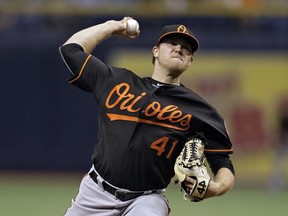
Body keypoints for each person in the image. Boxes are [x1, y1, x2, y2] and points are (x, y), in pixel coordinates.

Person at [59, 17, 235, 216]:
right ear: (156, 51)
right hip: (95, 192)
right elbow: (71, 50)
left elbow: (223, 162)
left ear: (190, 61)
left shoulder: (201, 111)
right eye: (172, 43)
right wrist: (113, 26)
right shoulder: (116, 82)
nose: (179, 48)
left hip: (146, 200)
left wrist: (217, 188)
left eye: (186, 48)